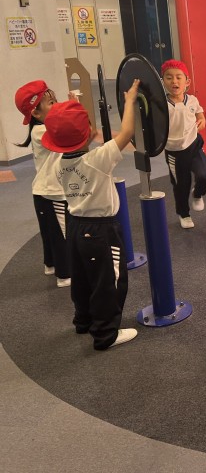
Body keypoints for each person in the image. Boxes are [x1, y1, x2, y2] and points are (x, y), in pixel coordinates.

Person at [43, 80, 142, 350]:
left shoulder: (59, 163)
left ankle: (83, 320)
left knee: (83, 278)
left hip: (76, 227)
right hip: (101, 231)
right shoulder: (97, 160)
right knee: (108, 281)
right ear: (87, 132)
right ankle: (105, 334)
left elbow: (73, 136)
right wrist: (130, 101)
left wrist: (72, 108)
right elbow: (127, 132)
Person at [13, 80, 71, 288]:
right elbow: (66, 134)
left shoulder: (40, 128)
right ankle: (65, 275)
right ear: (36, 113)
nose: (57, 104)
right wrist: (74, 109)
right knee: (63, 234)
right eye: (51, 103)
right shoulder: (41, 131)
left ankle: (51, 265)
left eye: (55, 100)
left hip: (42, 190)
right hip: (52, 191)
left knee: (49, 232)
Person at [162, 59, 206, 229]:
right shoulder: (161, 104)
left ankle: (198, 194)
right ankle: (184, 213)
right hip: (174, 152)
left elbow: (200, 116)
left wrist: (202, 120)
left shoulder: (192, 100)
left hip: (194, 145)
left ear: (187, 82)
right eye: (169, 77)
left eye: (178, 77)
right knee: (181, 185)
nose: (174, 81)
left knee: (205, 175)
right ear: (163, 81)